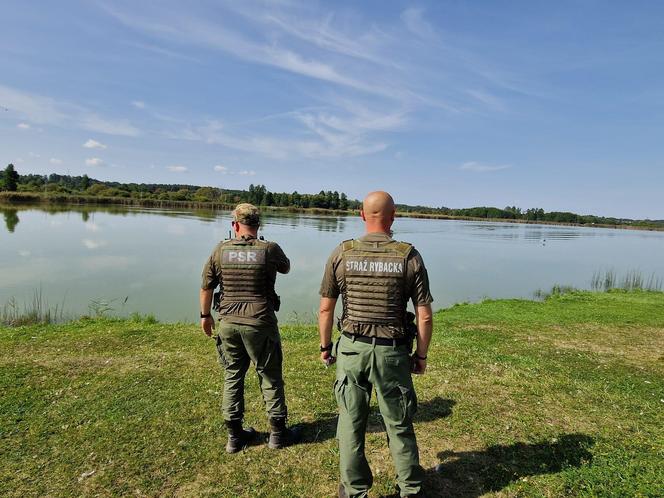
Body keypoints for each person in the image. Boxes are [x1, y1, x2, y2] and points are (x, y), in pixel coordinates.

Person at [318, 191, 434, 498]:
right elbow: (424, 316)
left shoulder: (341, 253)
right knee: (399, 424)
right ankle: (410, 490)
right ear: (393, 216)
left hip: (352, 351)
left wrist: (325, 347)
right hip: (392, 353)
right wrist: (420, 355)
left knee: (351, 423)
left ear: (361, 215)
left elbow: (326, 309)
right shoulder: (409, 256)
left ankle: (354, 490)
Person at [200, 203, 298, 453]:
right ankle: (277, 434)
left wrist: (205, 316)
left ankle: (234, 437)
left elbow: (207, 286)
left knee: (233, 375)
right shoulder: (269, 249)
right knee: (270, 376)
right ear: (258, 225)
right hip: (260, 322)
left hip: (229, 323)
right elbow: (286, 267)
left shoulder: (220, 250)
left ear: (234, 225)